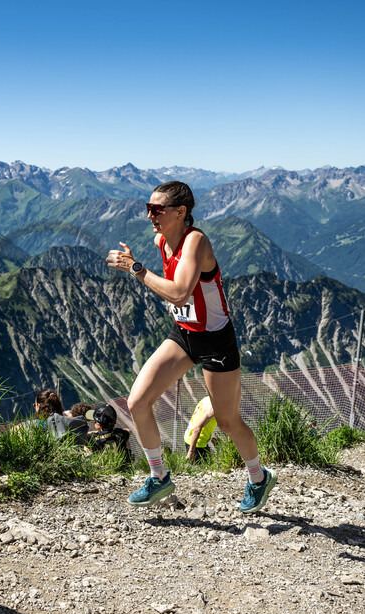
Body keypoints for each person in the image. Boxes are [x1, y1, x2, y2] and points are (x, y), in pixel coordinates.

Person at [106, 180, 276, 510]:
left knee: (227, 421)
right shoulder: (161, 241)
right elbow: (178, 294)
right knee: (138, 402)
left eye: (157, 210)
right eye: (148, 209)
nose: (150, 215)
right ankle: (159, 477)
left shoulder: (195, 241)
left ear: (181, 212)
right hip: (184, 334)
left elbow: (180, 291)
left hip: (216, 341)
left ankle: (258, 477)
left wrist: (136, 269)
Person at [184, 396, 218, 462]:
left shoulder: (207, 398)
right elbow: (197, 428)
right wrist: (191, 451)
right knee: (203, 468)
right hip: (197, 442)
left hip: (189, 435)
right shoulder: (214, 407)